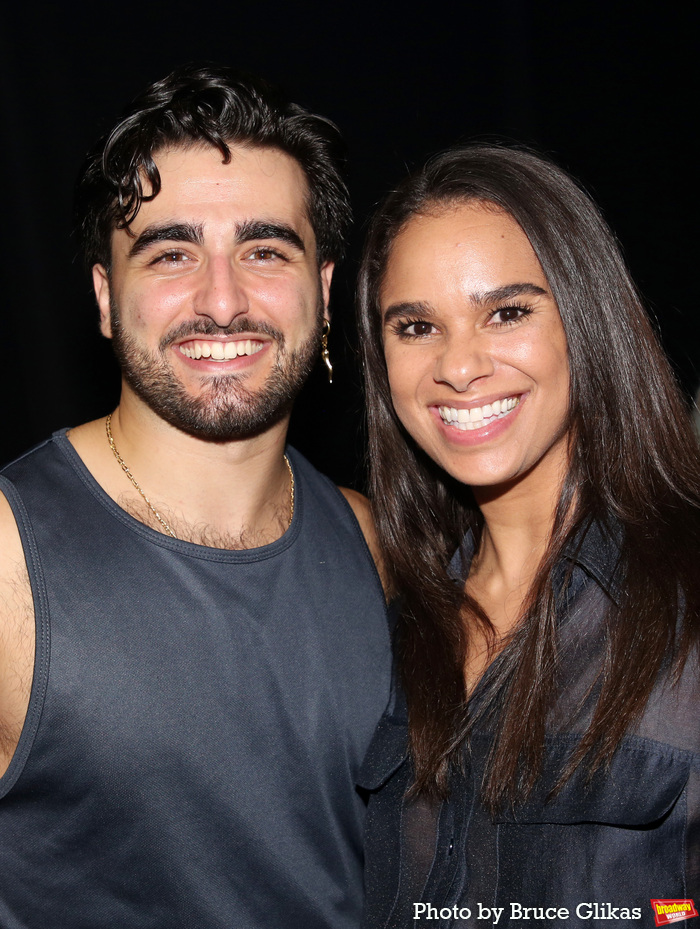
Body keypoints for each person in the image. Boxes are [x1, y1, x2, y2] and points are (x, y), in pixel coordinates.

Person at [0, 64, 391, 929]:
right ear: (106, 297)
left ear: (323, 294)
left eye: (263, 250)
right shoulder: (6, 559)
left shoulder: (374, 544)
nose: (223, 300)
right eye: (172, 253)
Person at [356, 145, 700, 927]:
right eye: (416, 326)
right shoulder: (393, 629)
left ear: (586, 317)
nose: (459, 365)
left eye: (506, 311)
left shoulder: (685, 599)